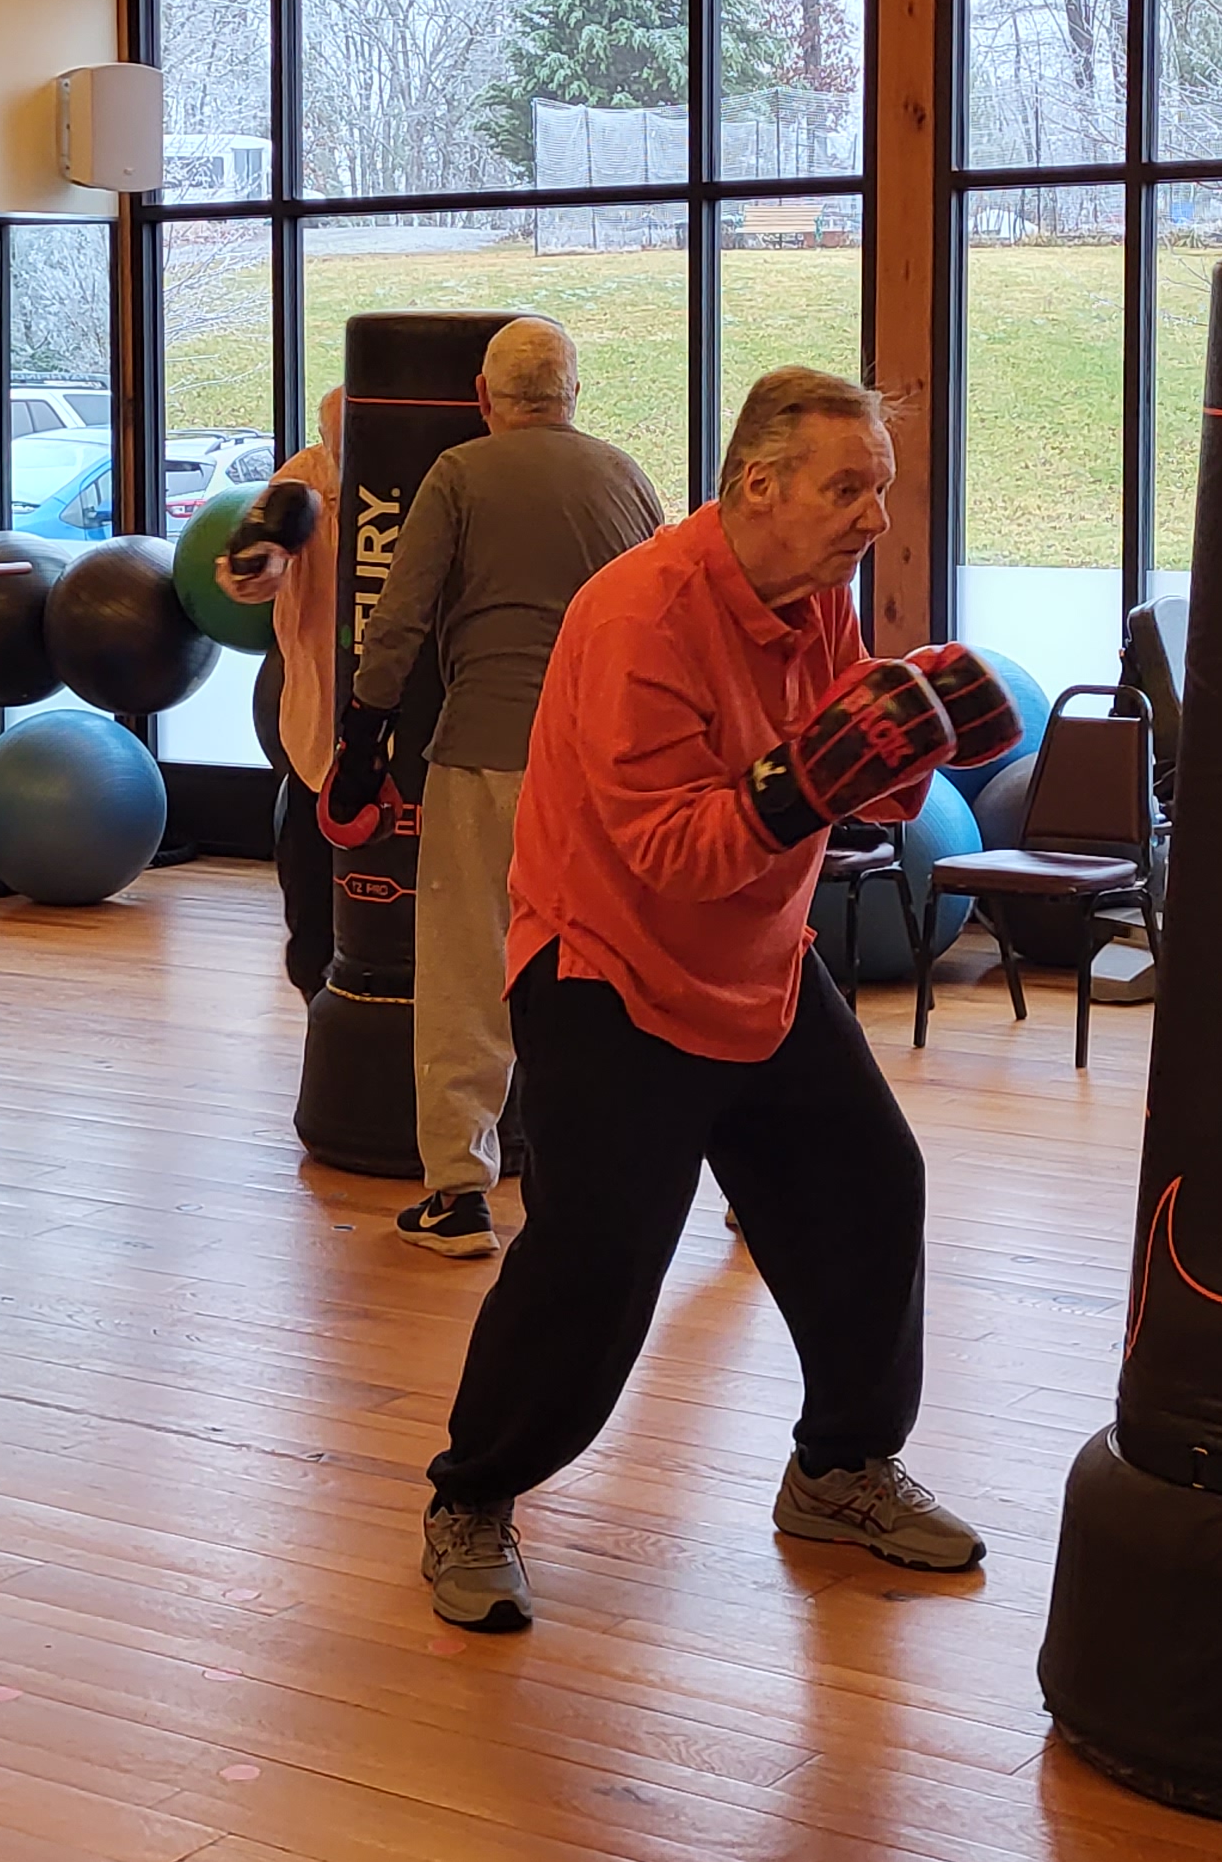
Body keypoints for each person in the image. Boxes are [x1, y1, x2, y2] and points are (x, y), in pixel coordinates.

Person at [418, 367, 1017, 1631]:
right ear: (760, 483)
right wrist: (811, 775)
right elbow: (676, 851)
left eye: (882, 491)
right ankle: (472, 1498)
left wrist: (916, 743)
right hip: (610, 964)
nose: (873, 518)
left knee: (868, 1184)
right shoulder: (640, 614)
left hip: (757, 957)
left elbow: (856, 790)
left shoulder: (815, 599)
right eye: (848, 489)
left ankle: (841, 1468)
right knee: (600, 1254)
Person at [333, 318, 659, 1259]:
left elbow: (397, 618)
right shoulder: (625, 477)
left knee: (467, 969)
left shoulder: (460, 473)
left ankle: (458, 1192)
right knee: (620, 967)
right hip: (603, 762)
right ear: (573, 396)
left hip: (485, 754)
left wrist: (361, 739)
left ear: (482, 398)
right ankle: (649, 1167)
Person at [217, 386, 344, 1003]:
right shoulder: (303, 479)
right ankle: (323, 1035)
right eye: (336, 436)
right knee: (312, 914)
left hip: (409, 725)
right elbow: (242, 571)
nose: (344, 448)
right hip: (317, 722)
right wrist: (254, 567)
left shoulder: (433, 476)